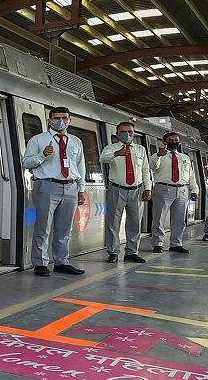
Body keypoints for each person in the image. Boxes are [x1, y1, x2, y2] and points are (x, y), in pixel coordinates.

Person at [23, 106, 88, 275]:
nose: (61, 121)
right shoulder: (38, 140)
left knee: (64, 227)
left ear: (69, 120)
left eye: (64, 118)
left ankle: (61, 261)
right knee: (43, 226)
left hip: (71, 186)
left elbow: (80, 167)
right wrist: (42, 155)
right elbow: (26, 162)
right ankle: (40, 263)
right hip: (47, 185)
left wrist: (81, 188)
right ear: (49, 121)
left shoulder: (75, 141)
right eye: (57, 118)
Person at [100, 122, 152, 263]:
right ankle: (113, 252)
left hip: (137, 190)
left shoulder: (140, 150)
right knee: (113, 222)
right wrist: (116, 154)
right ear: (117, 134)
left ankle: (132, 252)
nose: (127, 134)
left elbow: (145, 170)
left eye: (130, 132)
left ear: (134, 133)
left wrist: (148, 188)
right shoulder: (110, 148)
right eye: (123, 132)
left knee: (135, 222)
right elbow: (102, 159)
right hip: (117, 189)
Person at [148, 132, 199, 254]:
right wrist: (158, 156)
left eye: (176, 140)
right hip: (163, 188)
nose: (174, 142)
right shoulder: (158, 156)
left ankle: (176, 243)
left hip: (182, 189)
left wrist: (194, 189)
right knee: (159, 217)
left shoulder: (184, 158)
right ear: (164, 142)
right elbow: (152, 167)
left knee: (179, 218)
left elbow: (191, 175)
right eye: (171, 140)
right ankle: (158, 243)